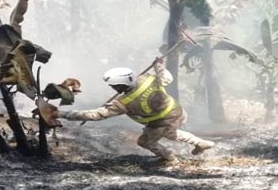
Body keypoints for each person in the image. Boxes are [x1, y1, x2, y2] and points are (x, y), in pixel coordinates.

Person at [54, 58, 214, 165]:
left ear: (119, 86)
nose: (112, 88)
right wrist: (159, 65)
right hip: (178, 111)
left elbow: (96, 115)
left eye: (113, 86)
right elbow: (167, 77)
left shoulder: (124, 102)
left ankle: (170, 159)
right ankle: (201, 143)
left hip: (160, 122)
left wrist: (62, 114)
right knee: (171, 133)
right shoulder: (147, 78)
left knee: (145, 142)